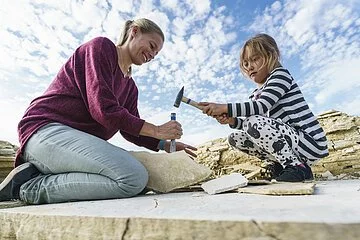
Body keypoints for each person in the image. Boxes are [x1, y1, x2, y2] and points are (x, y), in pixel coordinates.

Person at [0, 18, 197, 204]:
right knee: (133, 177)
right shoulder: (101, 48)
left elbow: (130, 130)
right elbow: (103, 109)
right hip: (44, 131)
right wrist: (156, 129)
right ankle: (25, 188)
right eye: (152, 46)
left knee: (144, 179)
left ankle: (44, 173)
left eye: (156, 54)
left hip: (72, 145)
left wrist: (165, 144)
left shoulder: (130, 87)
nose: (152, 56)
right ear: (134, 32)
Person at [199, 33, 328, 182]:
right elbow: (259, 128)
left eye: (255, 59)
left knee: (252, 121)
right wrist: (233, 121)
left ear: (271, 55)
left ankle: (296, 166)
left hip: (309, 142)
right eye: (246, 63)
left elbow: (260, 108)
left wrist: (224, 107)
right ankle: (283, 164)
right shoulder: (256, 94)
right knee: (235, 138)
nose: (250, 67)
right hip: (292, 142)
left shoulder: (280, 75)